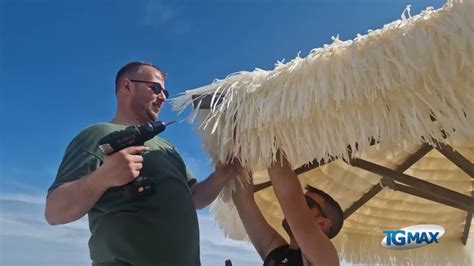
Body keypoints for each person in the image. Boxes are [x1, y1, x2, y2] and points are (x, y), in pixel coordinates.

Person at [45, 61, 237, 266]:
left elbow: (194, 199)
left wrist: (227, 171)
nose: (163, 97)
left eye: (164, 91)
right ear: (127, 86)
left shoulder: (167, 147)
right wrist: (101, 179)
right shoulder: (98, 135)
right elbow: (55, 212)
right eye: (155, 88)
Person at [233, 155, 344, 266]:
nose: (300, 205)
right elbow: (244, 202)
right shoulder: (276, 251)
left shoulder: (325, 256)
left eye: (306, 202)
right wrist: (238, 156)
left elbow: (290, 197)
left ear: (322, 223)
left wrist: (267, 143)